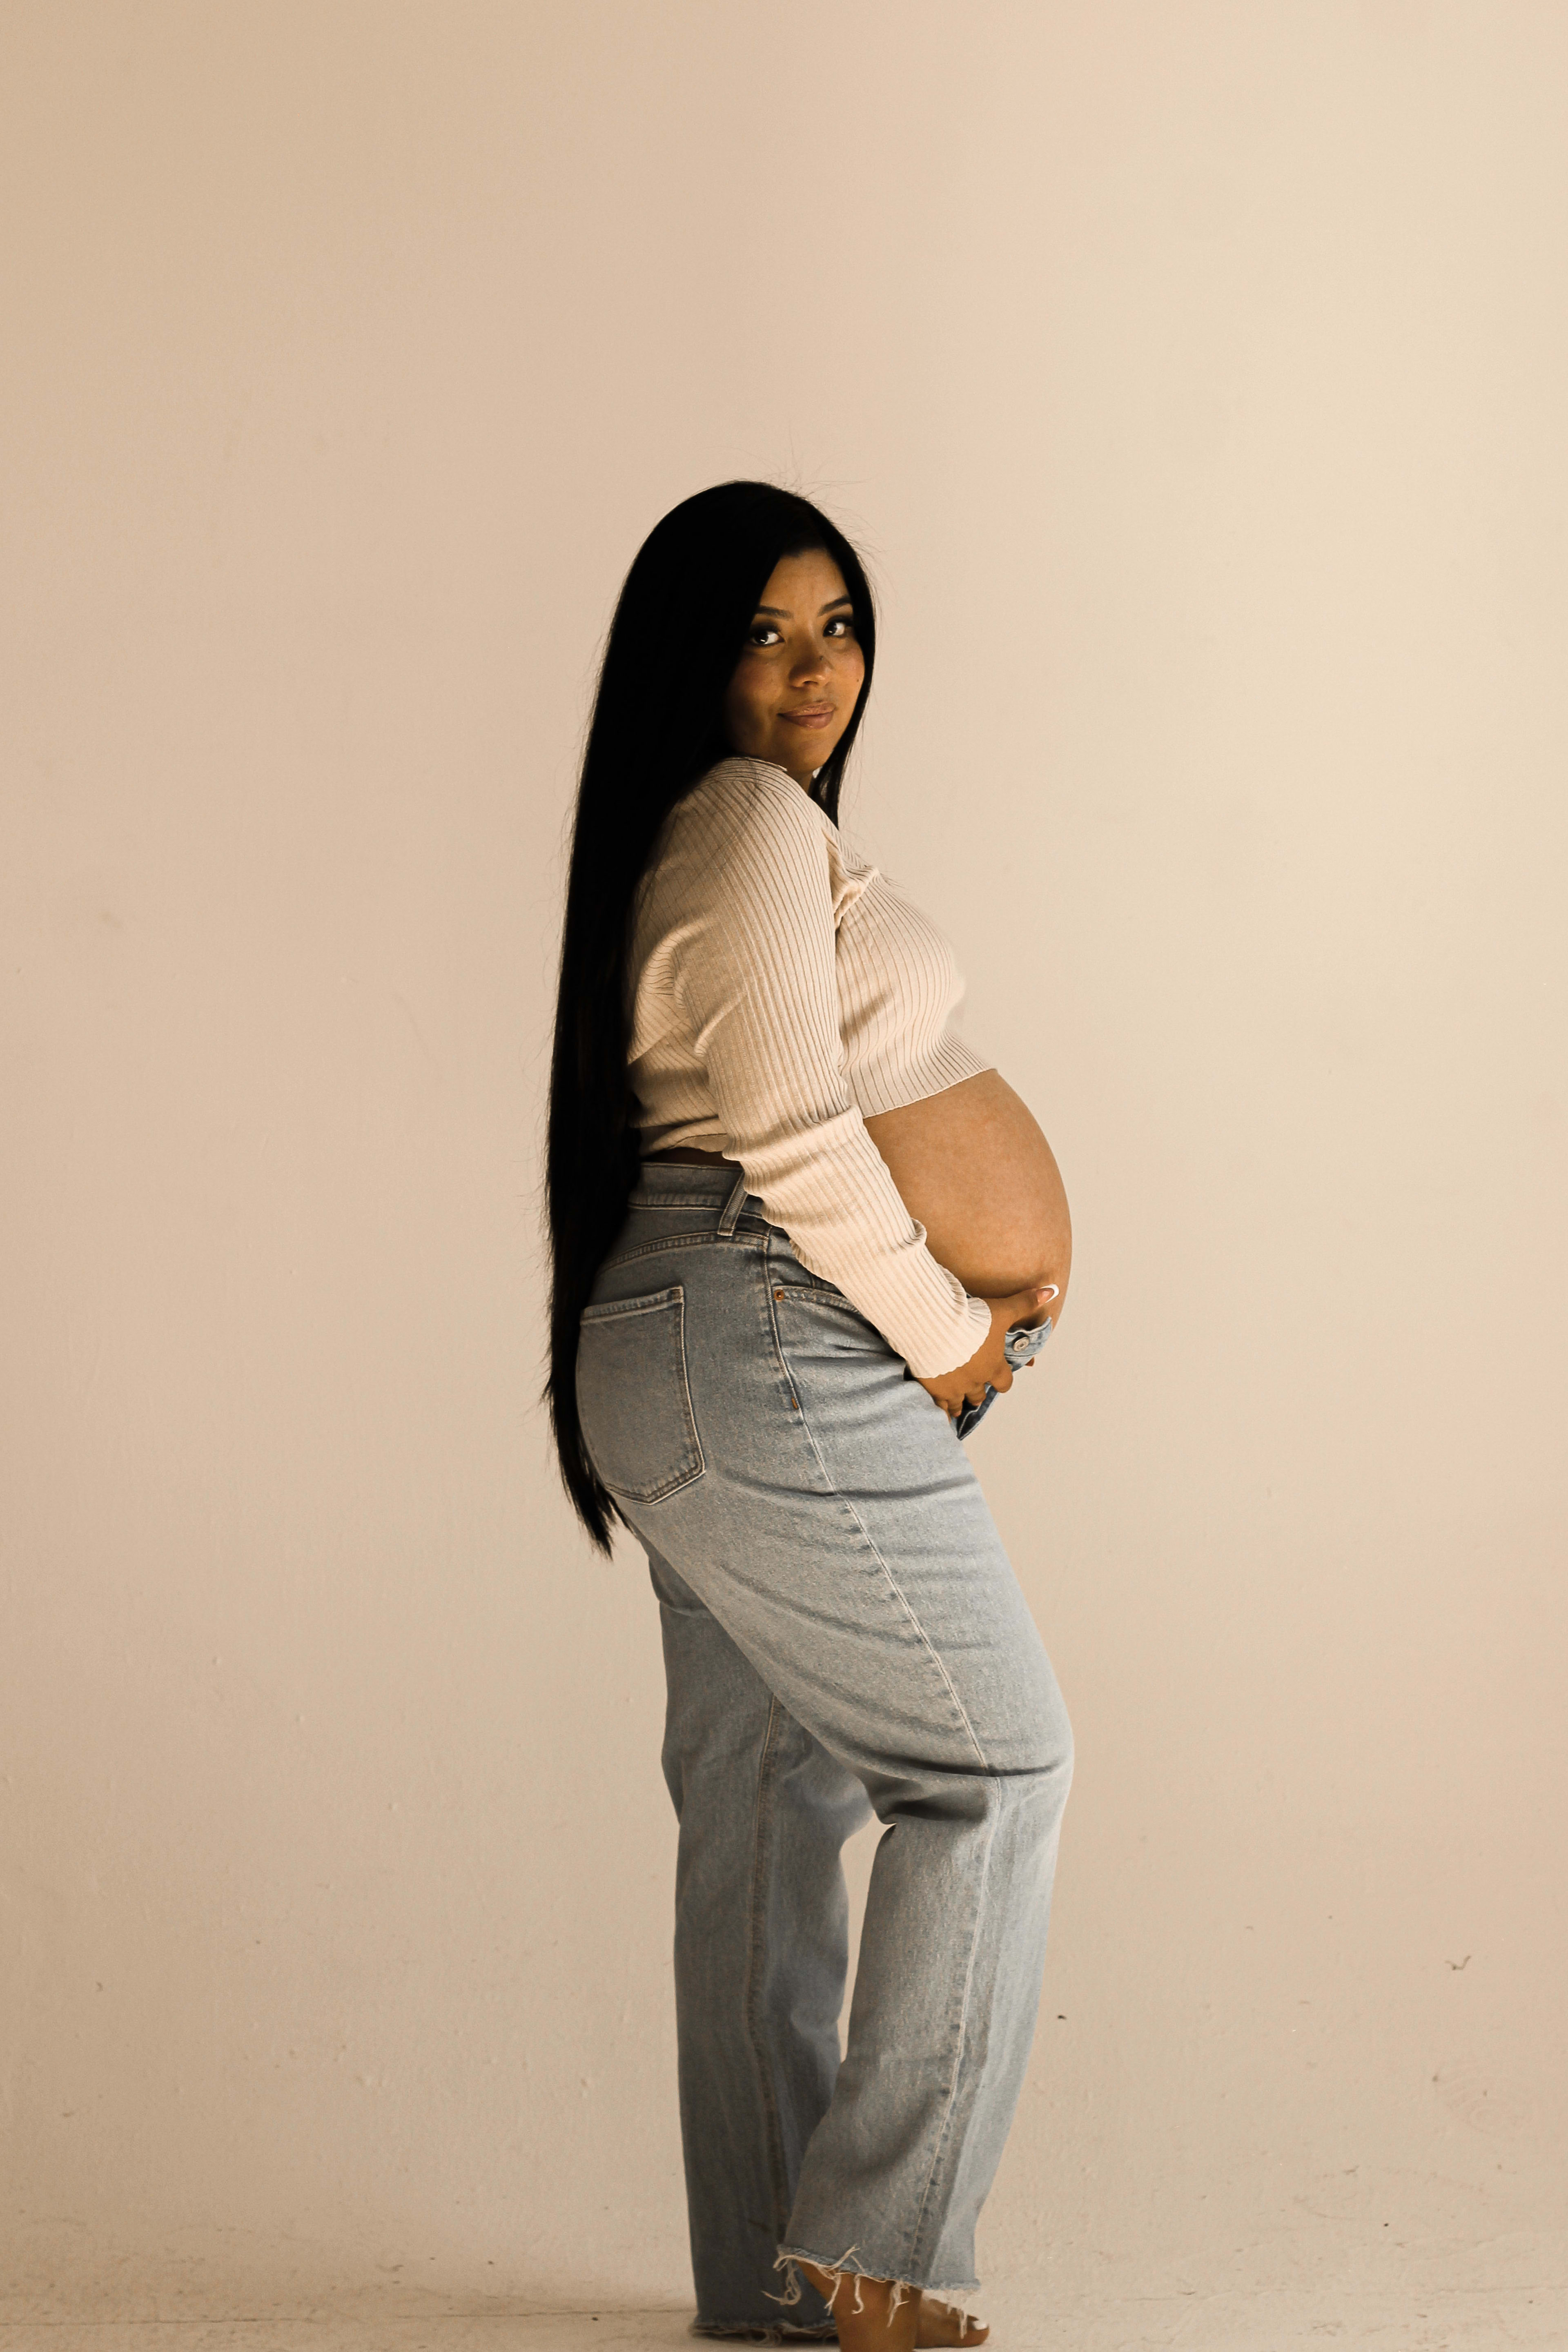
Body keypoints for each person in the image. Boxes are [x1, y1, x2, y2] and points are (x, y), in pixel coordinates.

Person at [546, 483, 1074, 2349]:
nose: (811, 669)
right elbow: (782, 1121)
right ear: (693, 652)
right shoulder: (750, 816)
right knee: (997, 1773)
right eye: (766, 630)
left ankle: (772, 2274)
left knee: (771, 1804)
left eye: (838, 625)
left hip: (690, 1343)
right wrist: (947, 1332)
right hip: (769, 1324)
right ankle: (878, 2251)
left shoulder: (700, 834)